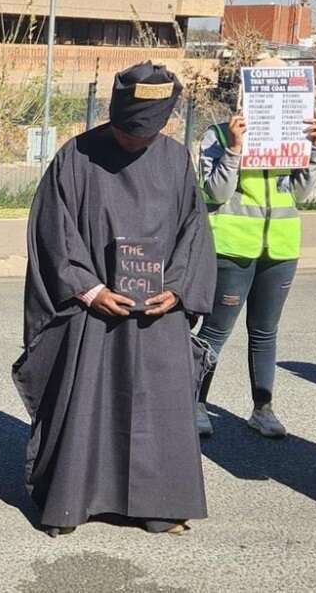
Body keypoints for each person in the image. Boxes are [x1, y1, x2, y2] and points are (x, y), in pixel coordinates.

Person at [12, 62, 216, 536]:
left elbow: (193, 230)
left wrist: (180, 288)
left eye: (145, 135)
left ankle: (159, 505)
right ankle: (71, 501)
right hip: (94, 310)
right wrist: (91, 289)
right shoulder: (76, 156)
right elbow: (52, 232)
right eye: (127, 133)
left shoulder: (174, 159)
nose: (134, 143)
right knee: (86, 399)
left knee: (157, 404)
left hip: (158, 311)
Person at [194, 57, 316, 438]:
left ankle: (262, 409)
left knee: (265, 332)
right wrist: (234, 148)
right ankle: (194, 403)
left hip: (281, 249)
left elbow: (302, 194)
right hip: (233, 247)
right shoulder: (216, 135)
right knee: (215, 332)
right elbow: (214, 193)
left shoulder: (294, 134)